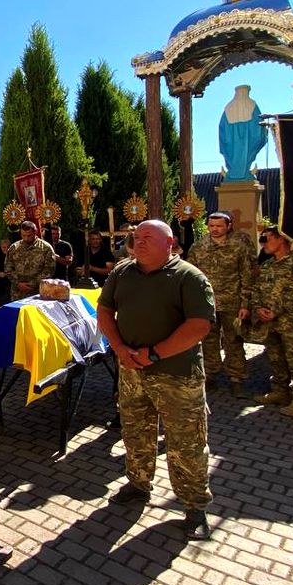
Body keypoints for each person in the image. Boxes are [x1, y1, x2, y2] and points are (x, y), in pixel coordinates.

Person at [98, 219, 215, 540]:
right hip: (132, 370)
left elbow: (199, 325)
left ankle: (194, 505)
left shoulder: (189, 277)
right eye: (136, 238)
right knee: (135, 431)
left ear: (170, 242)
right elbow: (104, 311)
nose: (140, 242)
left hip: (177, 376)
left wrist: (155, 353)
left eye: (148, 237)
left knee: (186, 442)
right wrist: (120, 348)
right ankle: (138, 484)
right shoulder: (122, 272)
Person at [245, 226, 293, 417]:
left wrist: (275, 311)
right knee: (276, 358)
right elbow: (257, 289)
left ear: (282, 239)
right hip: (269, 323)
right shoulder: (268, 265)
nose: (263, 243)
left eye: (267, 239)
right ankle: (280, 391)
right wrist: (258, 308)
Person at [186, 212, 255, 396]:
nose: (215, 229)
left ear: (228, 226)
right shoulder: (199, 247)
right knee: (208, 341)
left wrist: (245, 304)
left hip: (232, 303)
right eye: (211, 226)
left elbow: (247, 275)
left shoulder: (239, 245)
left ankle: (237, 379)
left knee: (234, 341)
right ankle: (210, 376)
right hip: (207, 304)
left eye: (219, 226)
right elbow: (190, 276)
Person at [219, 84, 267, 182]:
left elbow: (222, 132)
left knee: (232, 153)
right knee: (246, 153)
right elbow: (258, 129)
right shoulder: (252, 104)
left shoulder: (228, 107)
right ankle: (242, 172)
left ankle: (234, 172)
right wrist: (264, 131)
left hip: (231, 142)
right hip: (247, 142)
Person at [4, 220, 56, 301]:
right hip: (17, 293)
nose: (26, 238)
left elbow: (49, 270)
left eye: (29, 235)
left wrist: (32, 284)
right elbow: (8, 268)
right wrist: (18, 283)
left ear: (35, 232)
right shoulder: (14, 248)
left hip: (37, 293)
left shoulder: (46, 248)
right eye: (23, 235)